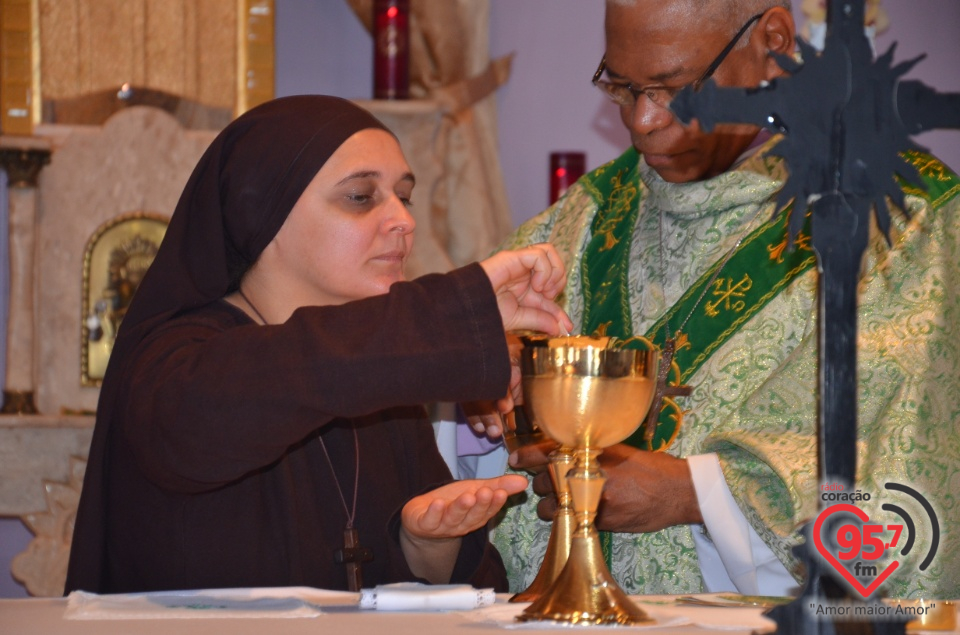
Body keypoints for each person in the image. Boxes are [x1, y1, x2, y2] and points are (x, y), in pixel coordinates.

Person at [491, 0, 960, 599]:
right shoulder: (585, 220)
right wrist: (485, 395)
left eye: (674, 88)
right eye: (622, 86)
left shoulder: (900, 220)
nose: (642, 122)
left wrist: (694, 495)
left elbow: (915, 468)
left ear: (772, 40)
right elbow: (455, 439)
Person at [64, 95, 574, 594]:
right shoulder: (173, 366)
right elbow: (289, 373)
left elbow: (443, 589)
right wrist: (452, 316)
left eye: (404, 195)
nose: (404, 220)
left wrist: (426, 545)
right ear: (263, 212)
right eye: (361, 196)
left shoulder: (384, 383)